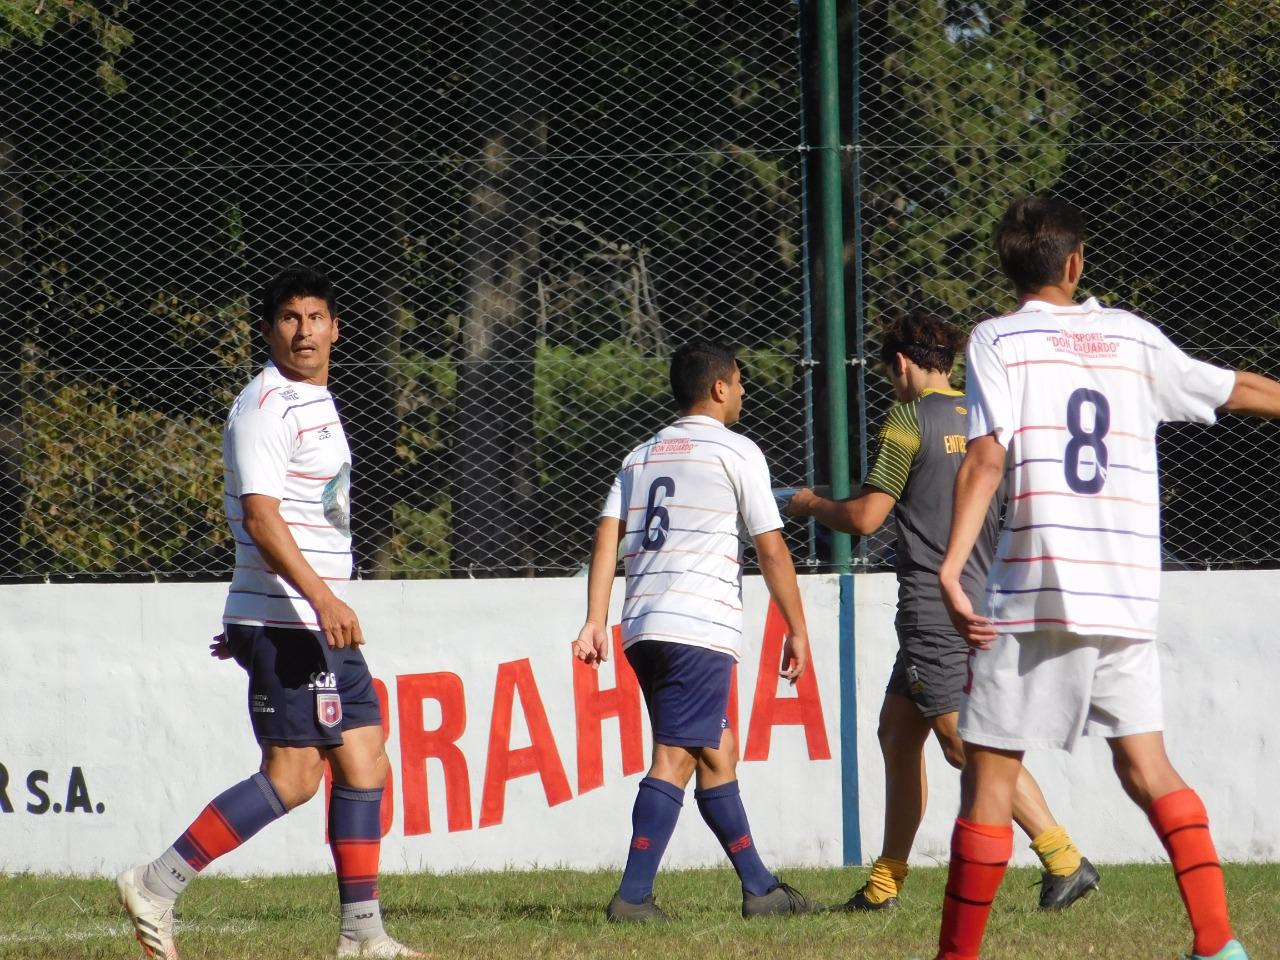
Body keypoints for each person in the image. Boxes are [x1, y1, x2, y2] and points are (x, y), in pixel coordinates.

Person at [934, 196, 1280, 960]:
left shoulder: (996, 338)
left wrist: (952, 569)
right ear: (1076, 263)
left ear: (1011, 270)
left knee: (990, 782)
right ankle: (1218, 943)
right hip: (1124, 595)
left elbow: (988, 455)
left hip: (1030, 593)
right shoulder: (1131, 336)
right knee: (1147, 765)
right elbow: (1235, 389)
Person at [117, 268, 420, 960]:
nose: (304, 330)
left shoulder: (315, 401)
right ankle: (157, 884)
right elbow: (260, 517)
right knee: (293, 775)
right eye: (289, 318)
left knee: (366, 759)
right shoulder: (267, 408)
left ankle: (362, 938)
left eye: (317, 316)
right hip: (296, 619)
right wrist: (318, 599)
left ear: (336, 328)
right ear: (268, 330)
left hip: (297, 616)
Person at [786, 309, 1097, 914]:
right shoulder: (986, 422)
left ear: (900, 363)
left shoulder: (907, 419)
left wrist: (810, 504)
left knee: (964, 742)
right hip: (982, 591)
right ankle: (883, 888)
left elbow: (868, 517)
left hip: (932, 602)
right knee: (898, 735)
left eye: (887, 372)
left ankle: (1063, 857)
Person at [574, 339, 818, 921]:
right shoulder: (735, 452)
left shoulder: (639, 456)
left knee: (717, 751)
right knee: (677, 756)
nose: (742, 390)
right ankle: (632, 898)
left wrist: (595, 619)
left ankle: (760, 889)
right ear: (718, 387)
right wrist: (797, 627)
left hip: (644, 626)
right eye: (738, 380)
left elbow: (607, 535)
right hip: (696, 625)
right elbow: (771, 548)